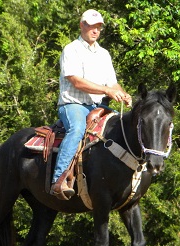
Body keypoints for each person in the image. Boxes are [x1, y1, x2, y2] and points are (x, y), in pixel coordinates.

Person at [50, 9, 132, 200]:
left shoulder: (104, 54)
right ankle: (59, 179)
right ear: (82, 25)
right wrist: (107, 91)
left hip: (98, 107)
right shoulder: (71, 49)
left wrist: (121, 92)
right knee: (77, 129)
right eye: (91, 26)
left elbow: (112, 83)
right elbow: (76, 82)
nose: (95, 30)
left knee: (122, 127)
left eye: (98, 27)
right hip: (73, 104)